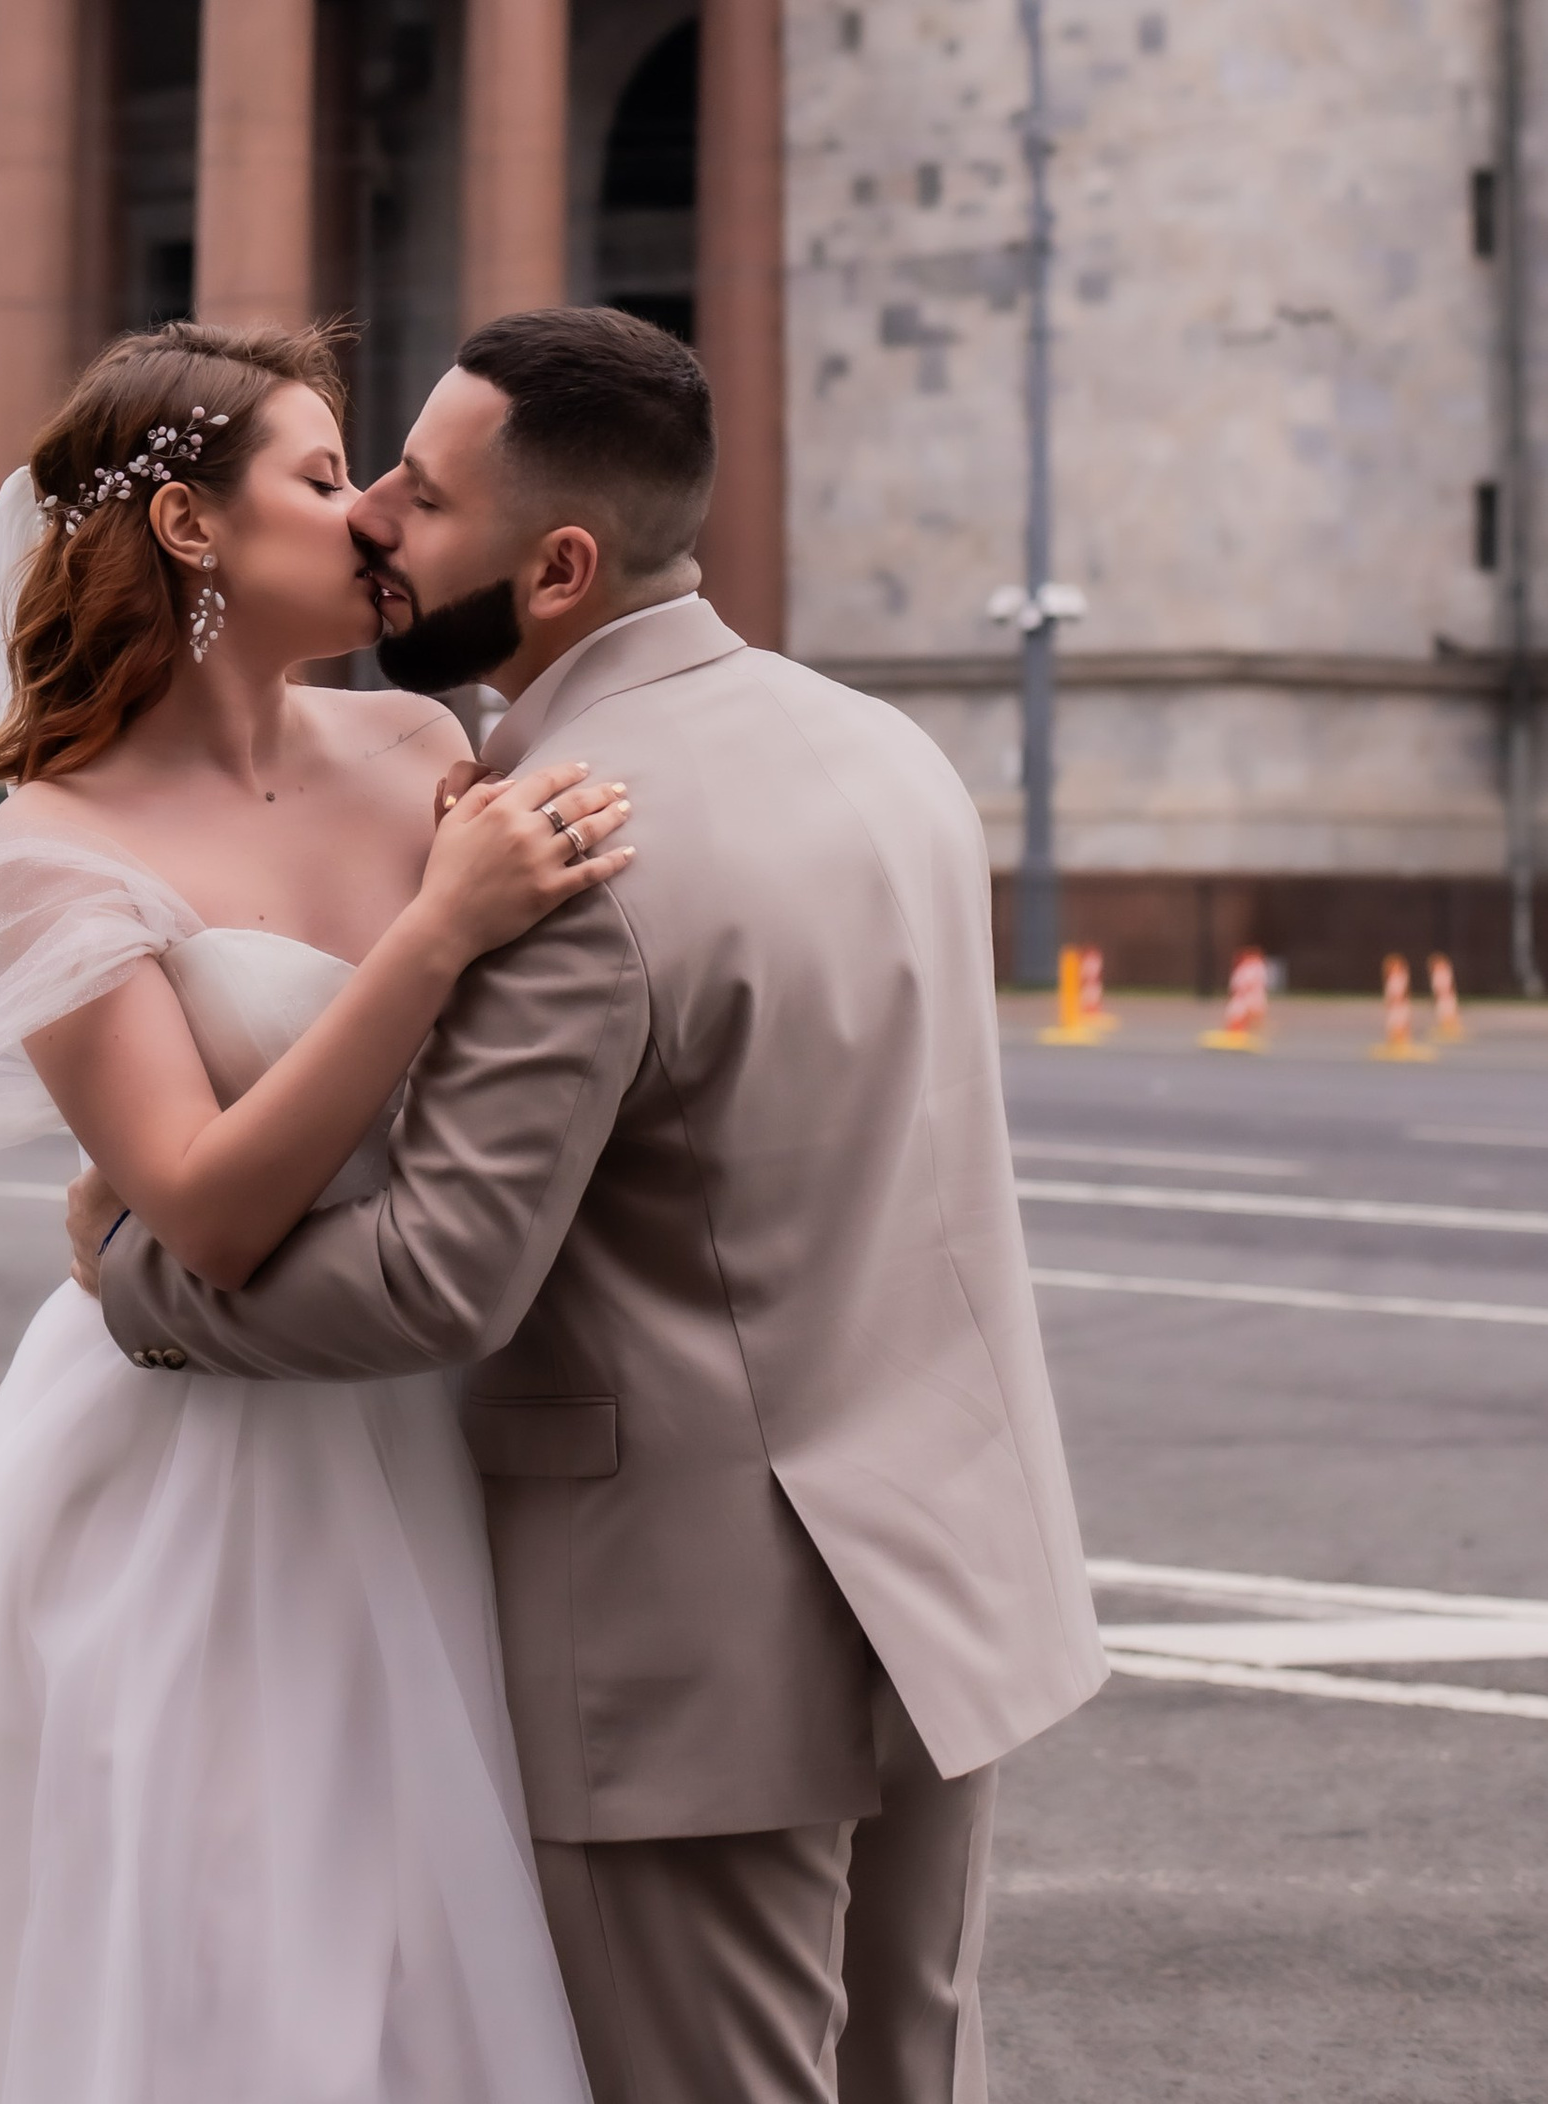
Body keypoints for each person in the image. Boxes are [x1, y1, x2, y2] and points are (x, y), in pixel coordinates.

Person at [86, 304, 1105, 2104]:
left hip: (688, 1638)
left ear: (558, 567)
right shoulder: (887, 753)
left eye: (421, 491)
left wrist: (135, 1270)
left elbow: (432, 1283)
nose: (375, 519)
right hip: (952, 1574)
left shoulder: (576, 843)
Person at [0, 318, 630, 2104]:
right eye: (322, 474)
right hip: (195, 1475)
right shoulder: (54, 847)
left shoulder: (425, 735)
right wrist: (435, 930)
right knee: (238, 1957)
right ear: (193, 528)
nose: (367, 522)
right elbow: (202, 1215)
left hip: (425, 1419)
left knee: (434, 1946)